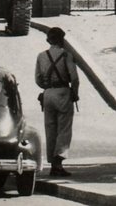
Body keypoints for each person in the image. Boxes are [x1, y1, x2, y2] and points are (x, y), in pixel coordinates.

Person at [34, 27, 80, 177]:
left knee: (50, 129)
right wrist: (75, 93)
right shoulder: (66, 55)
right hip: (63, 93)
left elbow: (38, 79)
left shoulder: (41, 56)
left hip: (47, 94)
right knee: (64, 129)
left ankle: (53, 164)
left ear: (49, 40)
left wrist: (47, 87)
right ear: (61, 40)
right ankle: (58, 163)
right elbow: (74, 78)